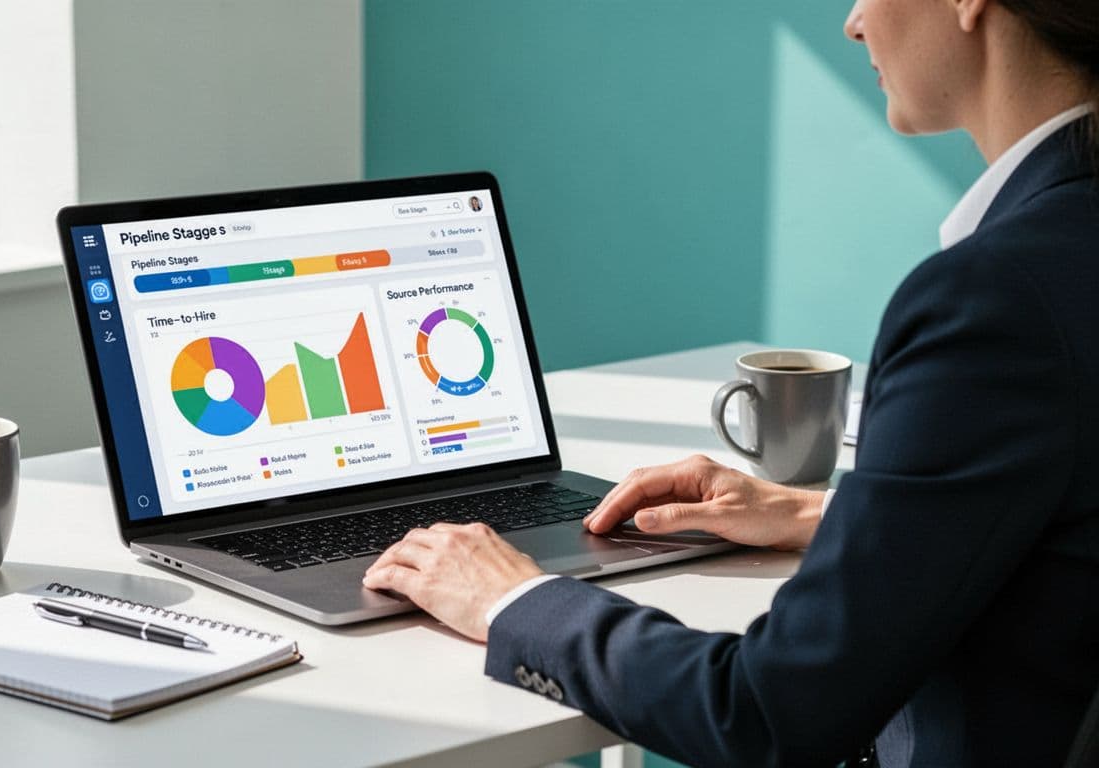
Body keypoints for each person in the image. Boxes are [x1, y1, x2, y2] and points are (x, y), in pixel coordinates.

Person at [362, 0, 1099, 765]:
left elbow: (768, 713)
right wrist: (825, 512)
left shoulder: (994, 298)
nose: (852, 23)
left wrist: (514, 601)